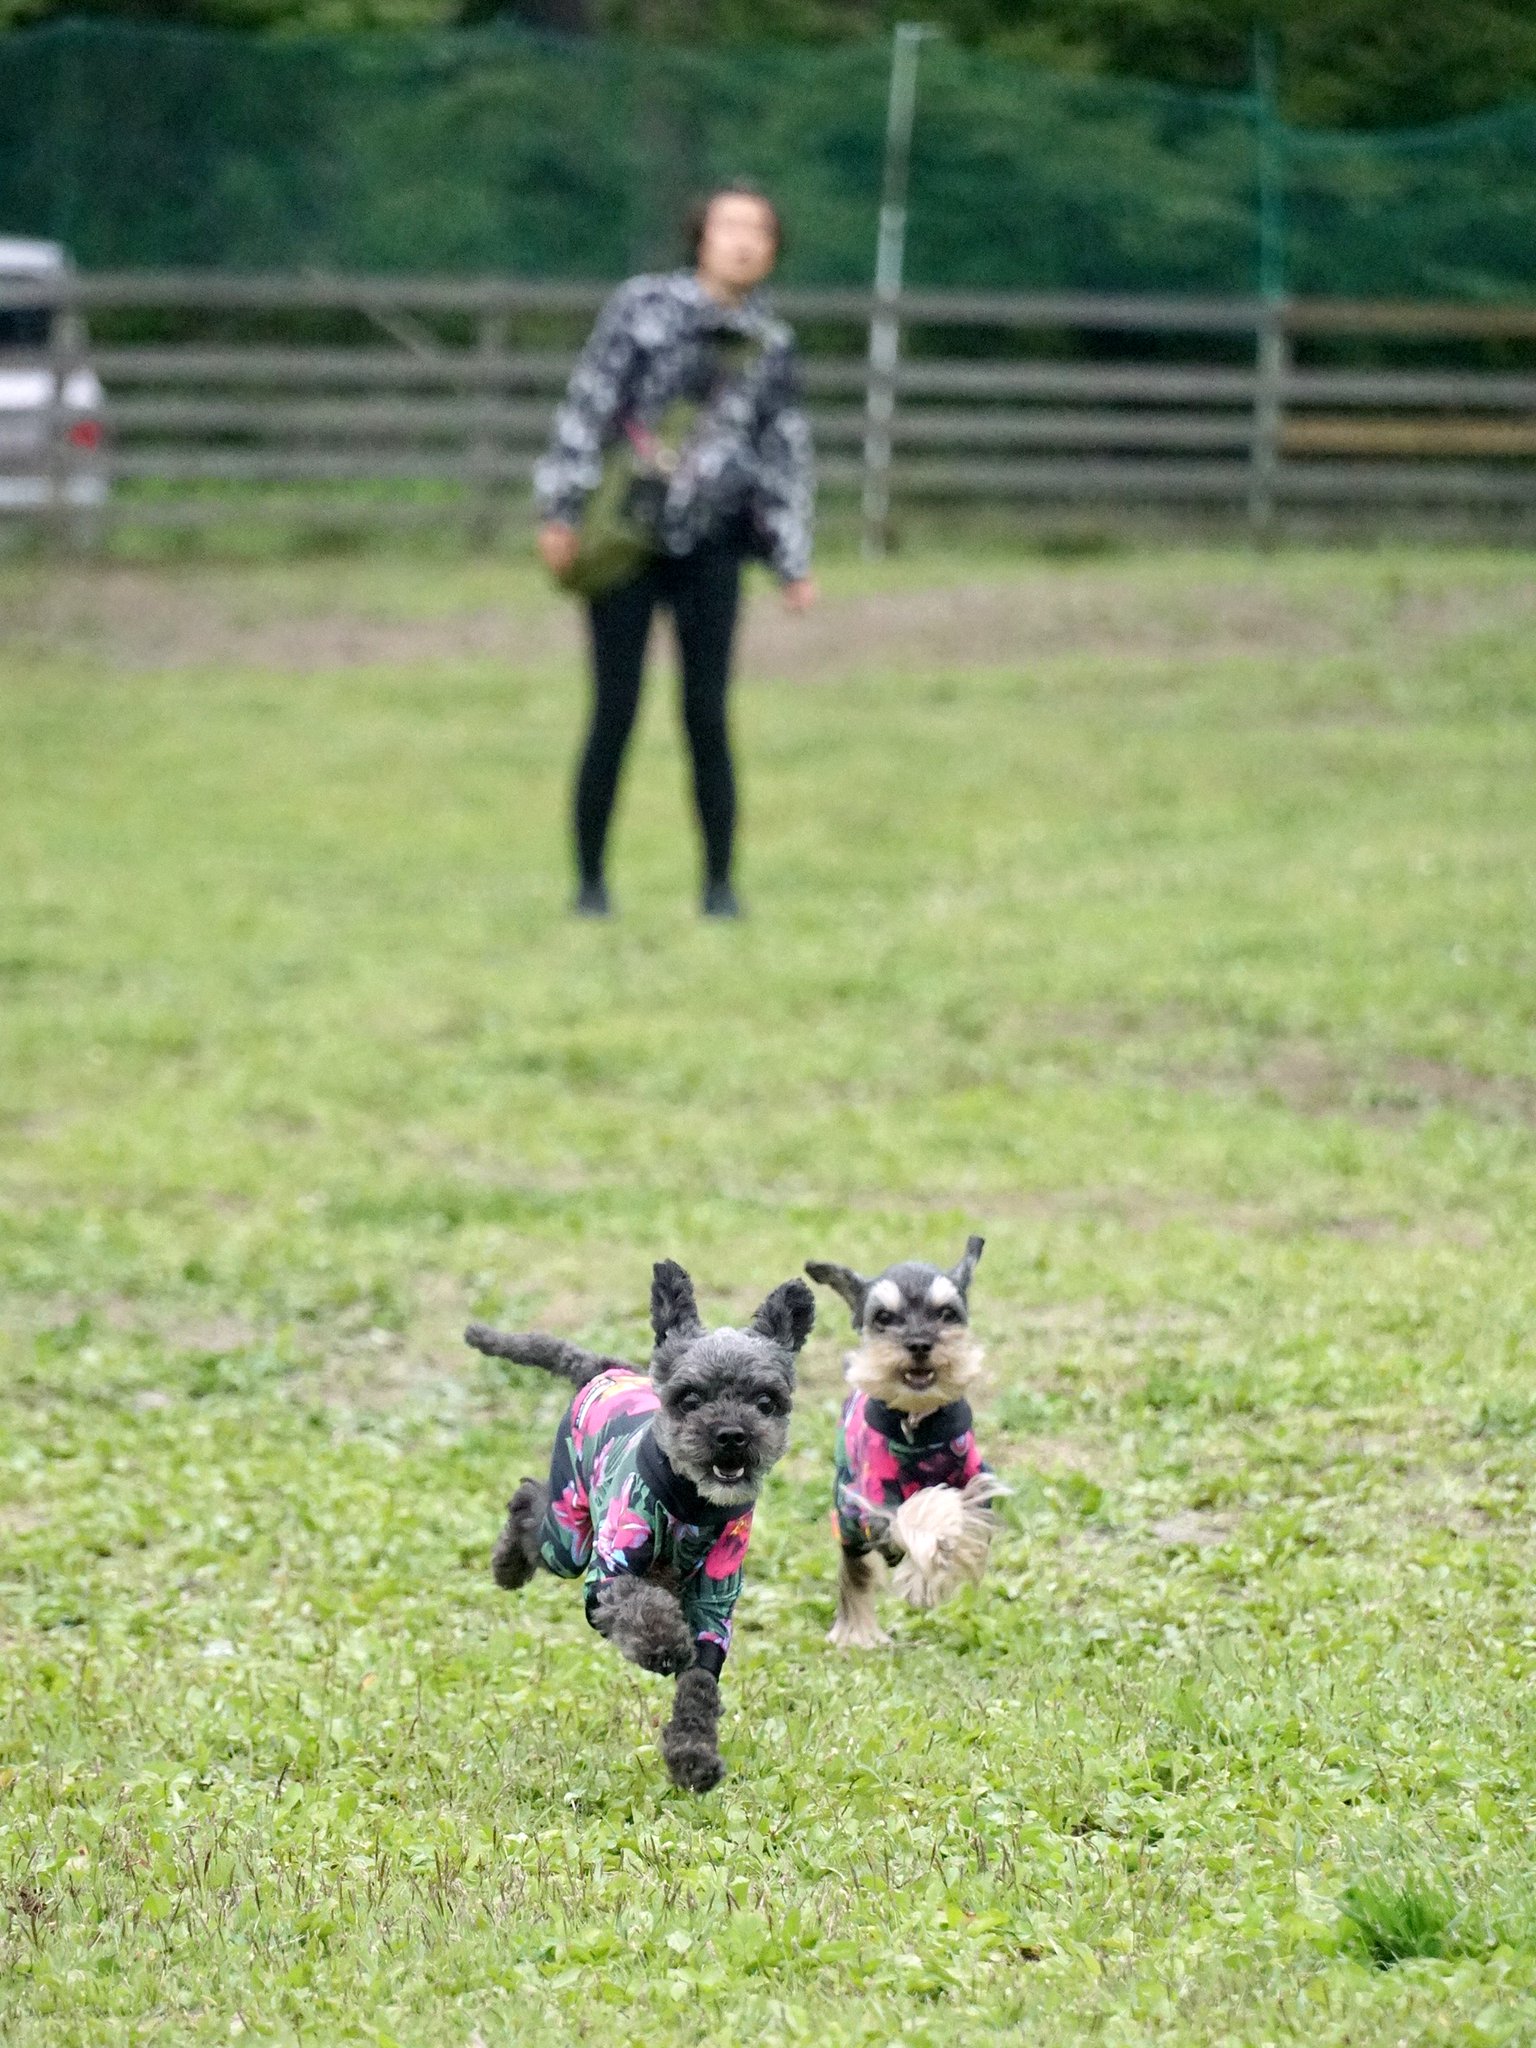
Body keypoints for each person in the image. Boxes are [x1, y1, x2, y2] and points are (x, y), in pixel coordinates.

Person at [533, 184, 816, 920]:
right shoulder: (641, 308)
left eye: (759, 230)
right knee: (614, 710)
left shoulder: (772, 345)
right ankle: (589, 887)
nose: (743, 242)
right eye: (729, 227)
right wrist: (561, 507)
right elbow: (589, 403)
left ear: (773, 249)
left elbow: (784, 451)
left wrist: (792, 557)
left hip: (714, 546)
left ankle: (720, 888)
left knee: (707, 716)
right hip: (626, 539)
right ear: (700, 237)